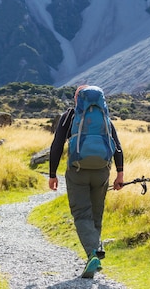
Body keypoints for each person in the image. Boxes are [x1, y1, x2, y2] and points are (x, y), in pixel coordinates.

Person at [48, 85, 124, 279]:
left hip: (78, 171)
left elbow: (57, 145)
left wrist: (52, 173)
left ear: (78, 99)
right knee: (96, 214)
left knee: (82, 214)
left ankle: (93, 255)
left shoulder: (71, 116)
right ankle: (95, 252)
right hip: (102, 171)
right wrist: (120, 174)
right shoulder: (104, 116)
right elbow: (117, 146)